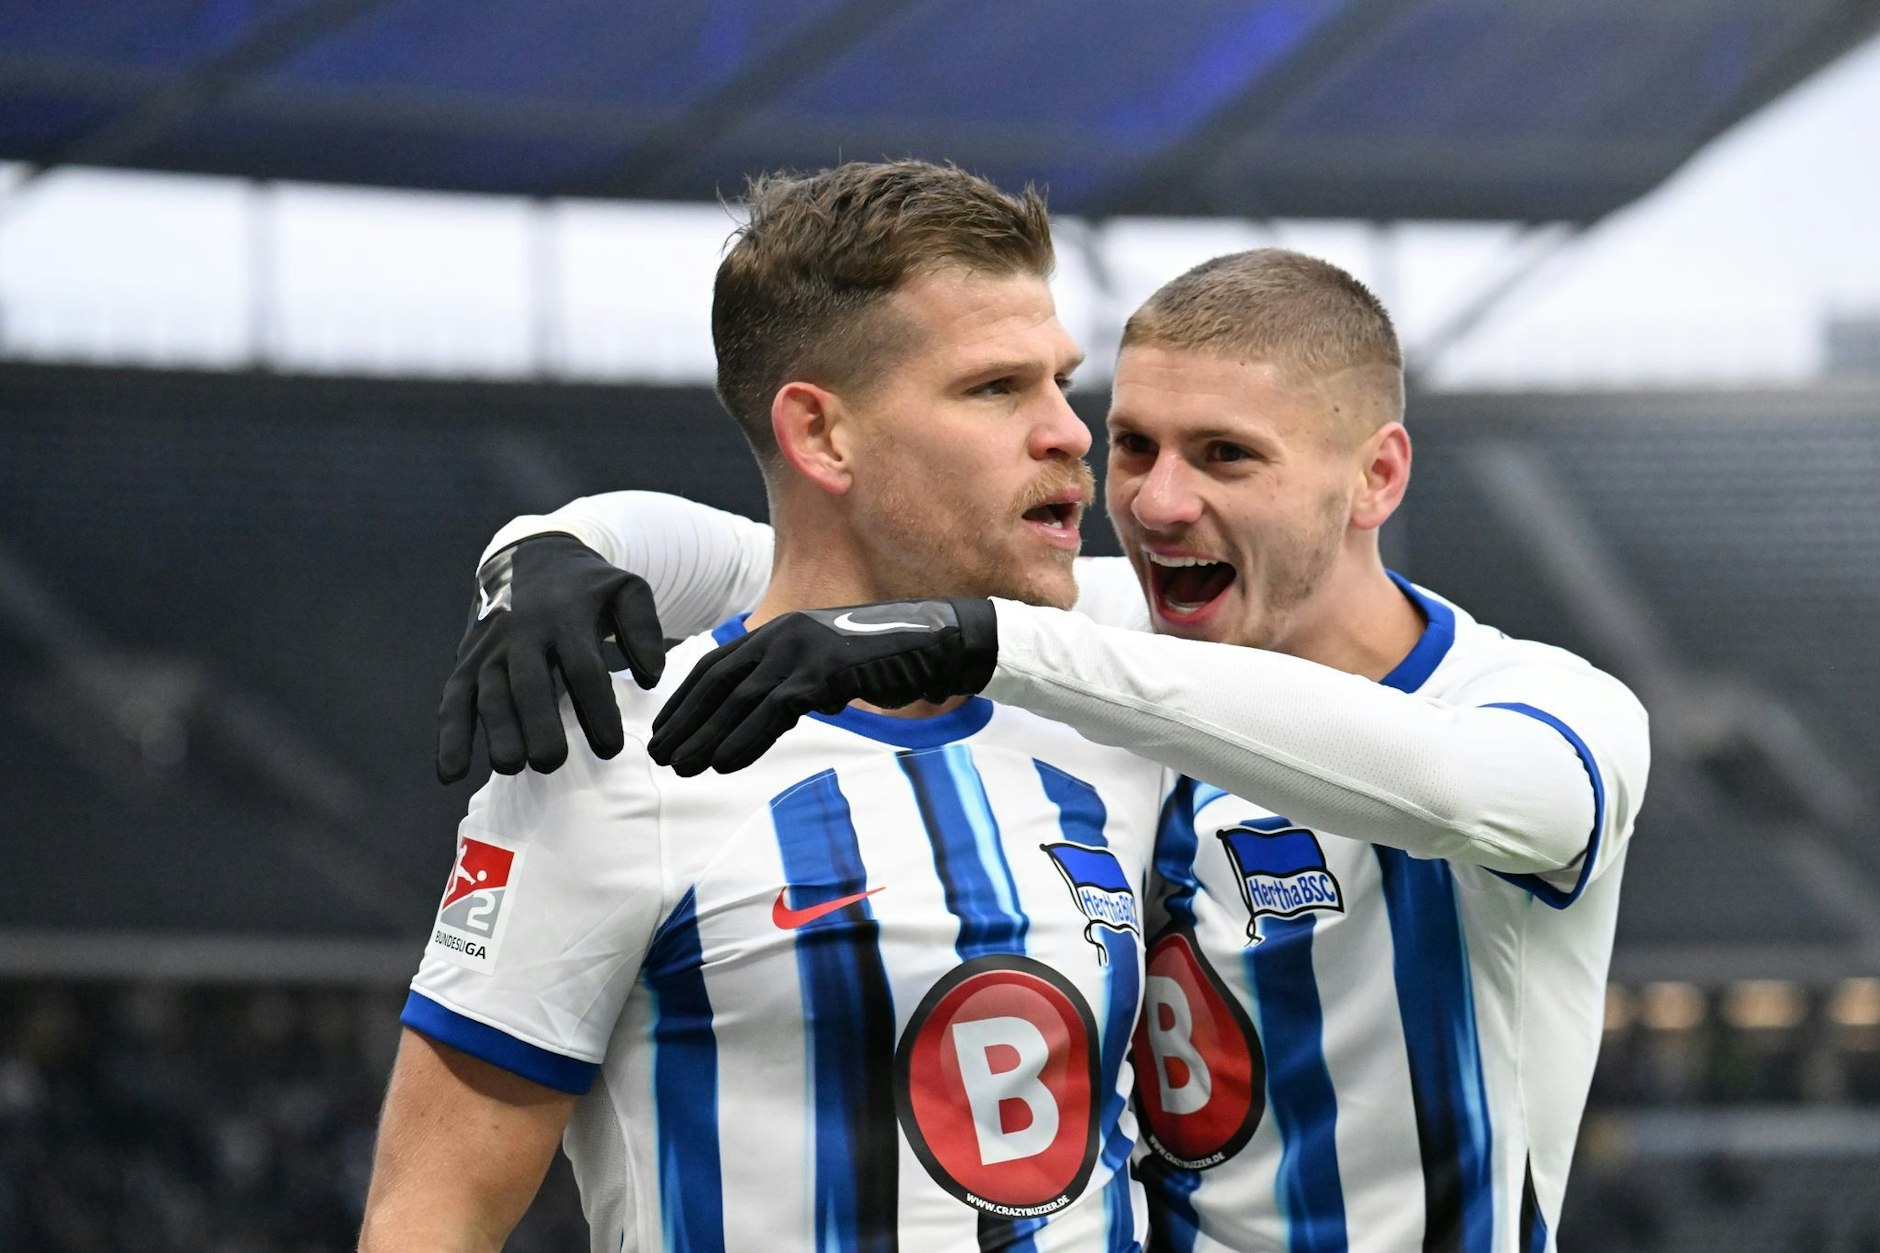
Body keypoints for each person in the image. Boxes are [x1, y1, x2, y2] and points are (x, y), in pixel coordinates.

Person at [445, 249, 1650, 1251]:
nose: (1158, 504)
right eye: (1131, 446)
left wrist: (987, 639)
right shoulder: (1132, 633)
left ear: (1373, 474)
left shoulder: (1544, 710)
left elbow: (1450, 791)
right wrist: (545, 546)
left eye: (1224, 455)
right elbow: (756, 553)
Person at [362, 160, 1177, 1251]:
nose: (1069, 432)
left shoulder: (1127, 697)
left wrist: (553, 536)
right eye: (994, 388)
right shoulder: (618, 756)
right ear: (820, 434)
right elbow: (434, 1211)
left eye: (1059, 381)